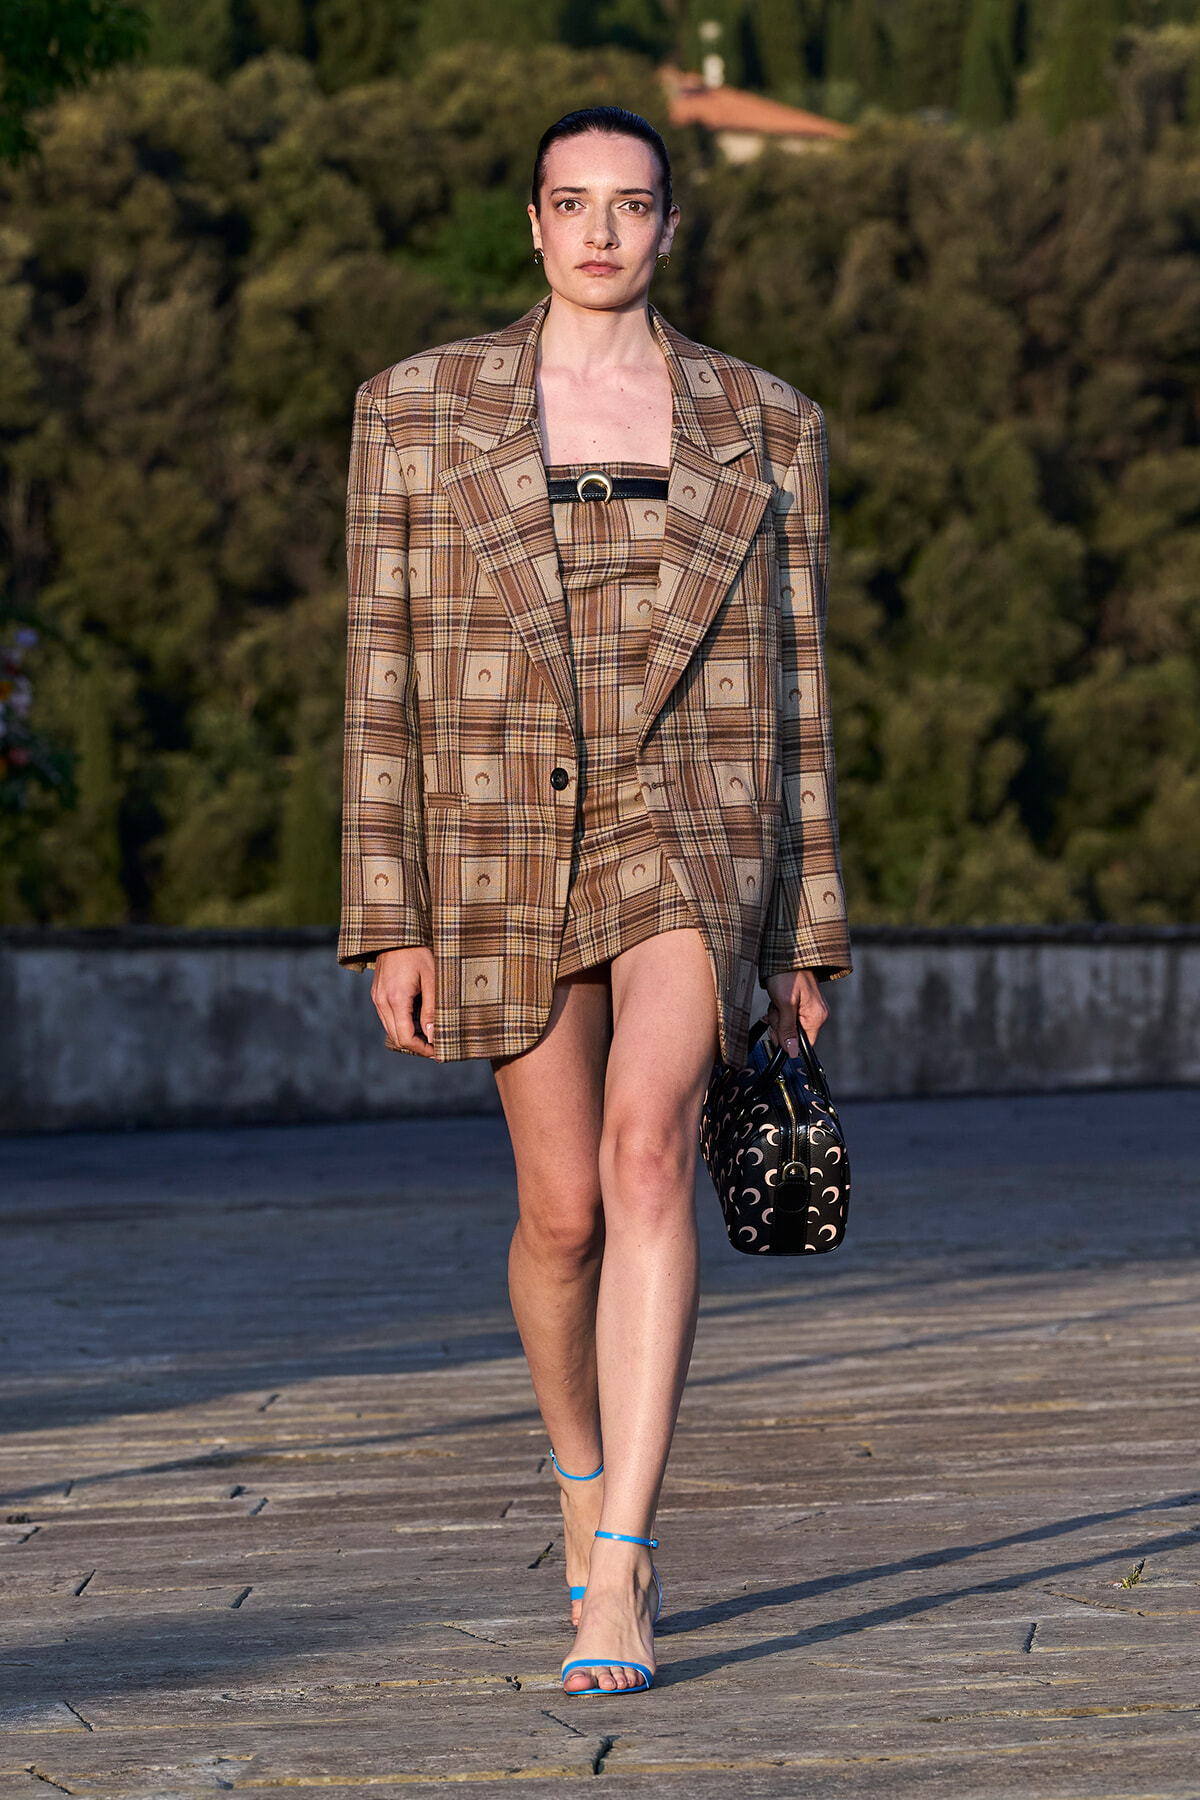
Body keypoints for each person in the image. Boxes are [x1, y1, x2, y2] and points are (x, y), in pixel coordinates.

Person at [338, 106, 851, 1696]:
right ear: (535, 223)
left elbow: (803, 689)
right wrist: (390, 912)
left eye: (634, 204)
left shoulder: (767, 422)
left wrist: (806, 925)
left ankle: (621, 1559)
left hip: (695, 826)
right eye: (576, 203)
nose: (605, 231)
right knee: (561, 1213)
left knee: (649, 1156)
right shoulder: (416, 410)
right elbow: (377, 675)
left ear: (671, 226)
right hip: (499, 837)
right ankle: (578, 1473)